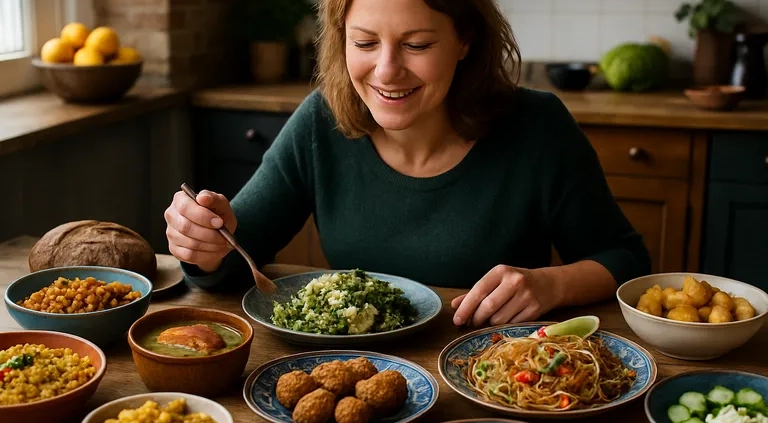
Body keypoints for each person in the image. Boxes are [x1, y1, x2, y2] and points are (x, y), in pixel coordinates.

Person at [163, 0, 652, 328]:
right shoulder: (320, 121)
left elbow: (625, 259)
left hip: (491, 383)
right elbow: (230, 267)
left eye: (417, 45)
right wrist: (203, 246)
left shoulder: (539, 126)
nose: (386, 70)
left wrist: (552, 284)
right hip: (350, 377)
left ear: (465, 42)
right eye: (365, 43)